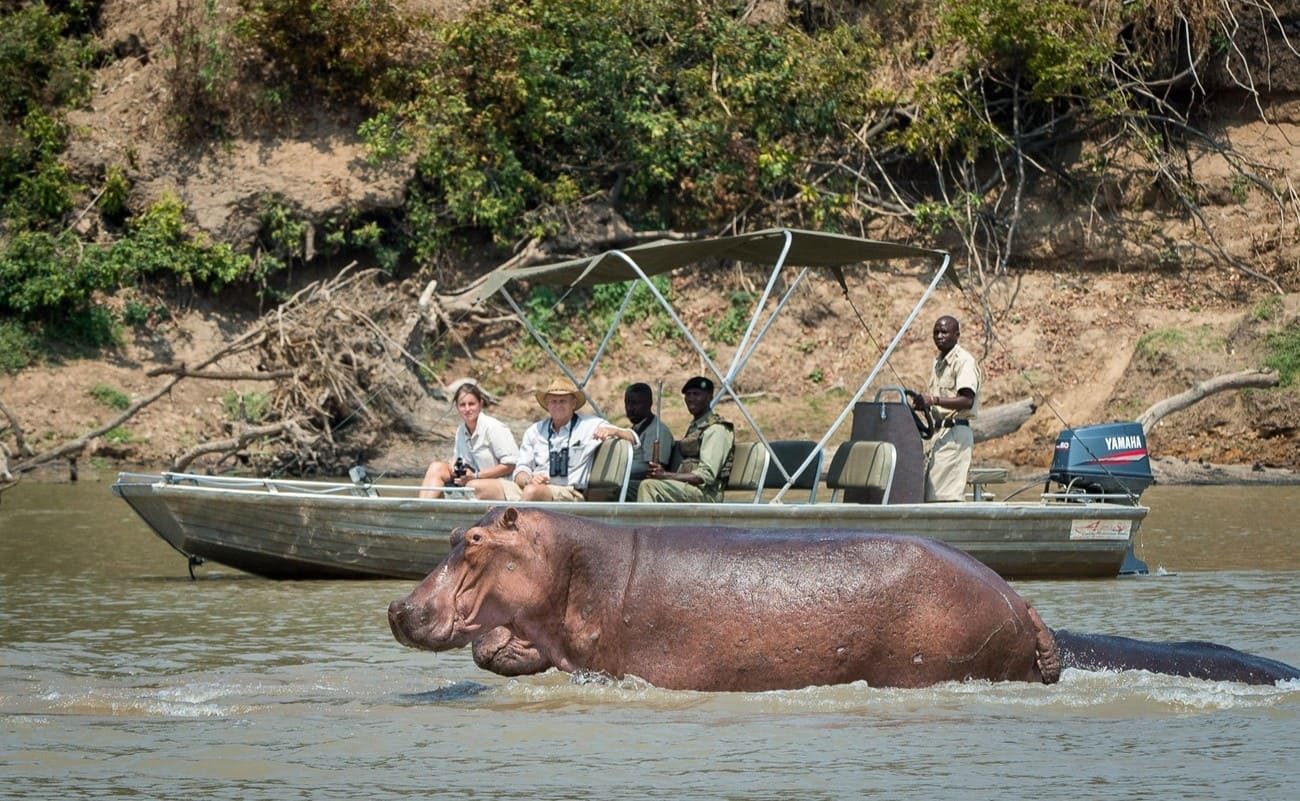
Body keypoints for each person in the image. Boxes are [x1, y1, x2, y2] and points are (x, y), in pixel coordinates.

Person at [513, 377, 639, 501]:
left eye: (562, 401)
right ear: (547, 405)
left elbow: (633, 438)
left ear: (573, 404)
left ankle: (515, 518)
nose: (558, 405)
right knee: (494, 487)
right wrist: (528, 480)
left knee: (532, 492)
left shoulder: (589, 425)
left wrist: (614, 431)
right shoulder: (534, 431)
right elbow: (521, 468)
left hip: (570, 493)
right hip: (532, 487)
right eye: (553, 401)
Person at [910, 315, 981, 502]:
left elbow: (967, 400)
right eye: (936, 332)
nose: (939, 336)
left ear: (956, 335)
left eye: (944, 332)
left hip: (955, 434)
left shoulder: (964, 361)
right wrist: (922, 404)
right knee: (930, 494)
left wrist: (933, 400)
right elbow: (937, 401)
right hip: (937, 434)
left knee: (945, 496)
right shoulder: (938, 362)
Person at [637, 376, 734, 503]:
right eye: (688, 395)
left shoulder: (716, 429)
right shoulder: (695, 427)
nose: (691, 399)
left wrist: (665, 475)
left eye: (696, 394)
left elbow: (706, 476)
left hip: (707, 494)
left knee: (649, 486)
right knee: (627, 488)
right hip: (688, 488)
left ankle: (646, 523)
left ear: (709, 397)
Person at [420, 381, 520, 500]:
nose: (467, 409)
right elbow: (460, 460)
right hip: (472, 480)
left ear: (480, 404)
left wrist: (476, 476)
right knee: (436, 467)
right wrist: (454, 465)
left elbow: (510, 465)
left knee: (472, 486)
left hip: (504, 484)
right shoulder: (461, 431)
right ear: (457, 407)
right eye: (462, 405)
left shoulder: (494, 427)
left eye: (471, 404)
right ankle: (420, 510)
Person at [623, 382, 675, 498]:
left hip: (650, 487)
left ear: (649, 404)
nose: (630, 408)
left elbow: (650, 469)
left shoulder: (658, 431)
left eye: (635, 404)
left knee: (614, 488)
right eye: (627, 403)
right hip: (634, 480)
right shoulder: (634, 430)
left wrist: (620, 471)